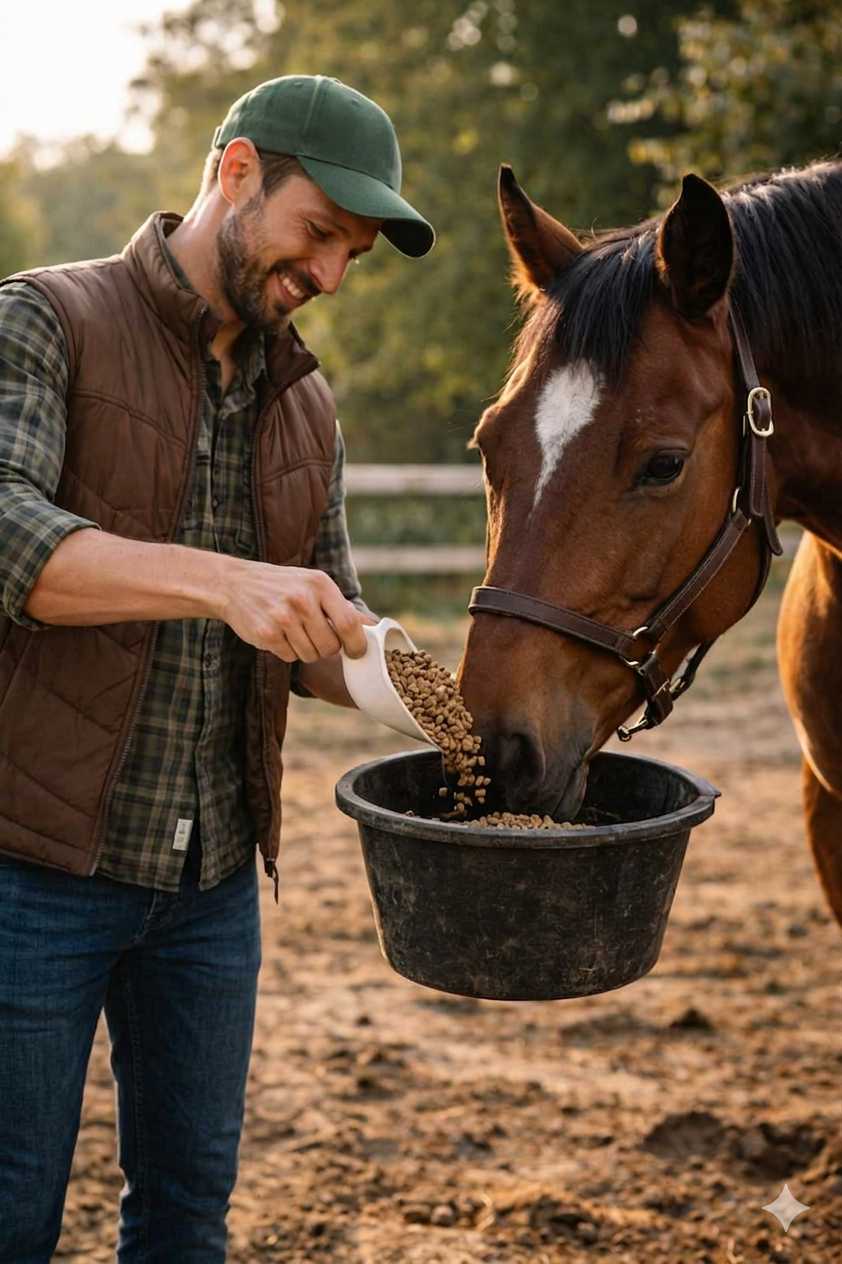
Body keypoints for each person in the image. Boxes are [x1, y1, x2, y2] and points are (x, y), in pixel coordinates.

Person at [0, 74, 434, 1262]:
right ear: (236, 171)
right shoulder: (46, 318)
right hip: (29, 873)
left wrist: (443, 701)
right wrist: (225, 578)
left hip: (212, 891)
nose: (332, 278)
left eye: (351, 255)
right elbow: (10, 540)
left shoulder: (307, 406)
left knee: (188, 1217)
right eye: (319, 236)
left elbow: (320, 631)